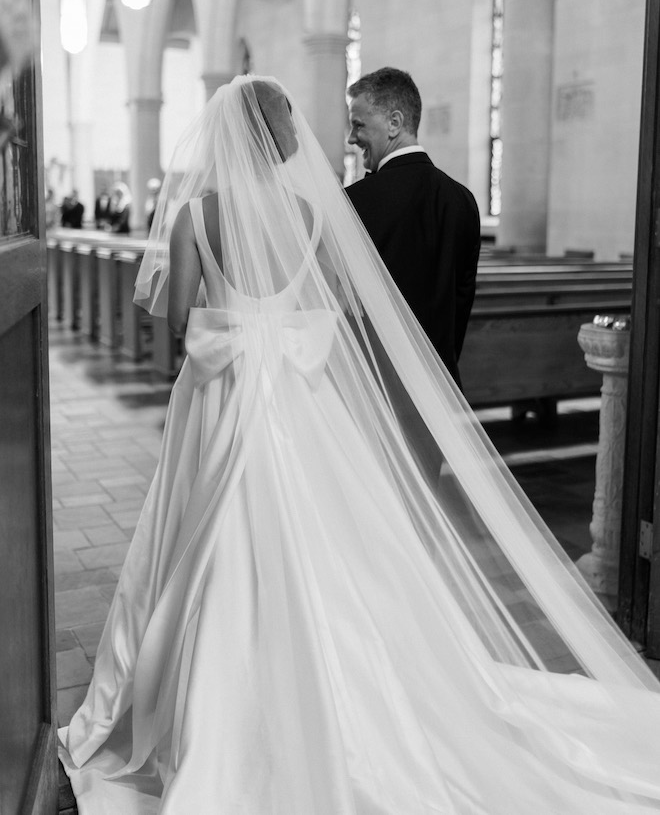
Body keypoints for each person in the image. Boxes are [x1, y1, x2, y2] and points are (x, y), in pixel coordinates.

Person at [59, 75, 660, 814]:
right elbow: (331, 308)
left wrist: (226, 314)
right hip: (299, 403)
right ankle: (345, 690)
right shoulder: (315, 214)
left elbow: (179, 315)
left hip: (220, 401)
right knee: (322, 543)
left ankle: (205, 705)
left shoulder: (194, 216)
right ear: (282, 141)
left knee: (205, 541)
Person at [346, 67, 480, 386]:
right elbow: (459, 309)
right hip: (442, 388)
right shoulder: (463, 200)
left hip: (377, 390)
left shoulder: (354, 202)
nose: (351, 138)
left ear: (394, 123)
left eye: (358, 124)